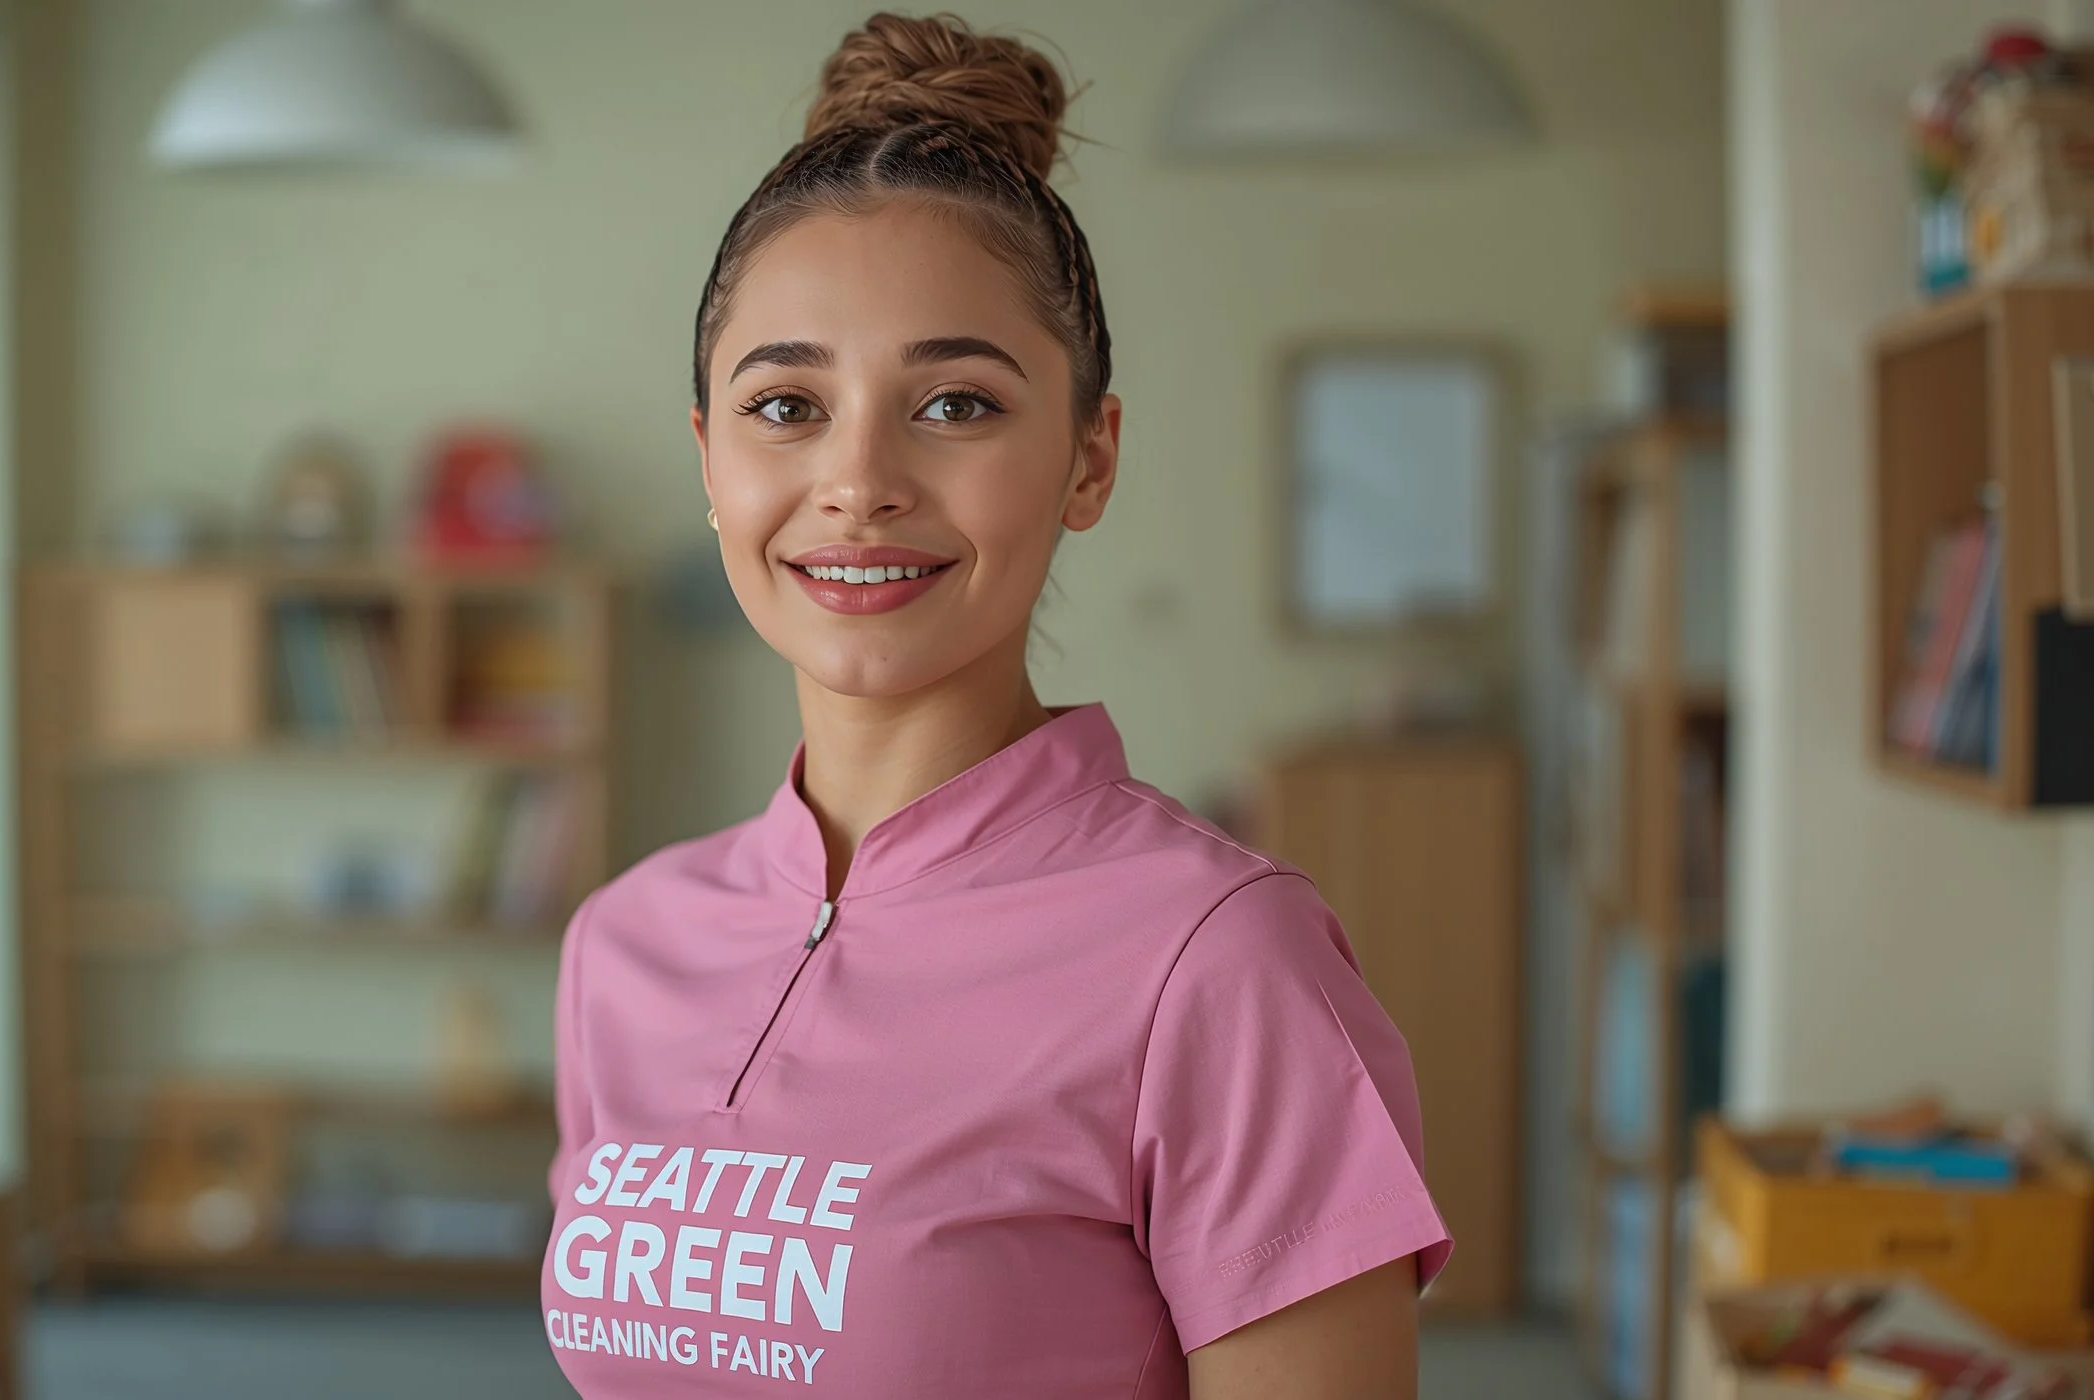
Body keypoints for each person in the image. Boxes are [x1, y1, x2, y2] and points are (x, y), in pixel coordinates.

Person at [540, 14, 1450, 1398]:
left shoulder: (1219, 962)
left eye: (957, 403)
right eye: (785, 406)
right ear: (710, 461)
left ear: (1090, 460)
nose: (860, 481)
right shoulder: (622, 946)